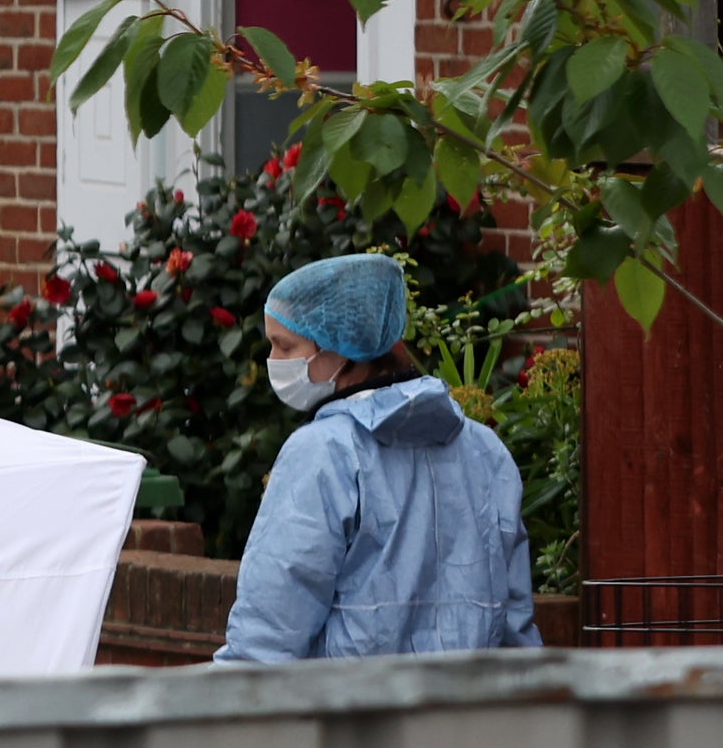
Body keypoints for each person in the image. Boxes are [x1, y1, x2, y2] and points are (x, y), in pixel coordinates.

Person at [216, 250, 539, 662]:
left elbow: (270, 629)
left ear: (341, 348)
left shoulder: (323, 453)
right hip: (467, 719)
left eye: (285, 345)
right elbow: (516, 632)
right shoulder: (485, 450)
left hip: (352, 720)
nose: (274, 362)